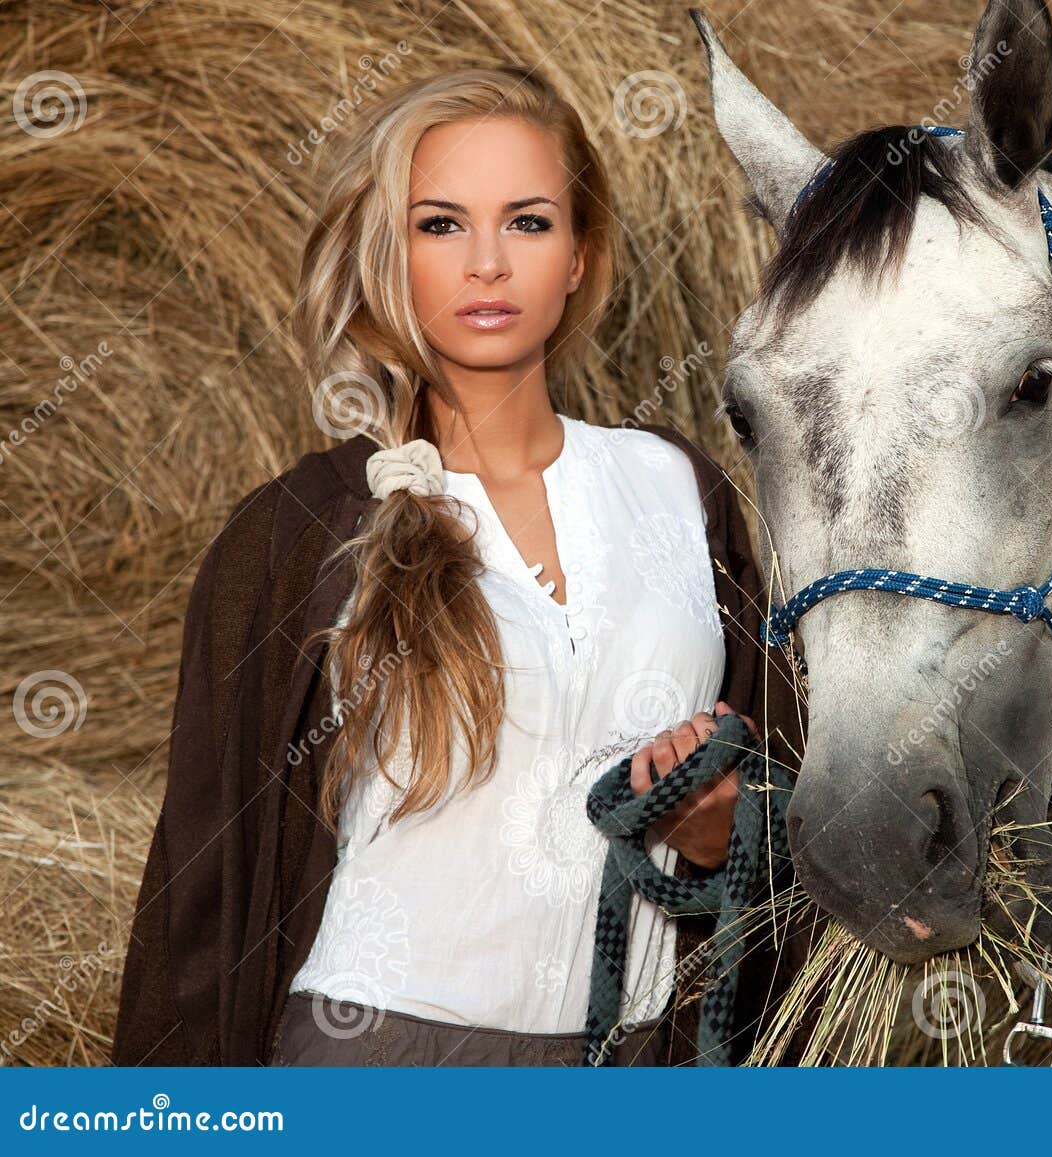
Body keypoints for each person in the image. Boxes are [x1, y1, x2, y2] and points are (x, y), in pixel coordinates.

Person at [110, 65, 807, 1068]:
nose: (487, 262)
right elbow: (203, 885)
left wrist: (716, 833)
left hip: (643, 1056)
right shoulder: (294, 531)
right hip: (374, 1059)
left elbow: (782, 807)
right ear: (386, 257)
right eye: (440, 225)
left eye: (527, 222)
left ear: (580, 255)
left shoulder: (680, 489)